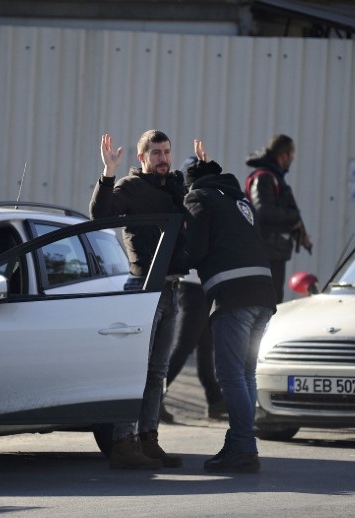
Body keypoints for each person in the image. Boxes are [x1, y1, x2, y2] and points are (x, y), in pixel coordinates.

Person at [89, 130, 189, 470]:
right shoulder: (130, 188)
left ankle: (149, 439)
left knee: (158, 372)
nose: (163, 158)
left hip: (174, 289)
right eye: (156, 153)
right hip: (143, 288)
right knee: (136, 366)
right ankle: (123, 441)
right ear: (142, 157)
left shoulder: (176, 187)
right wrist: (108, 173)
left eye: (166, 151)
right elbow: (100, 216)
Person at [183, 140, 277, 473]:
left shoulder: (198, 197)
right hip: (264, 295)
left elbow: (194, 249)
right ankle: (240, 441)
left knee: (231, 376)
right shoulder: (238, 199)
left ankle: (243, 448)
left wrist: (171, 261)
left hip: (233, 296)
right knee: (245, 374)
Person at [161, 156, 227, 424]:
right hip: (192, 286)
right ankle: (155, 397)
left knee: (205, 344)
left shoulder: (197, 202)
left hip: (202, 285)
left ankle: (214, 400)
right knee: (185, 345)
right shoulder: (192, 204)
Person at [245, 134, 312, 303]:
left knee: (273, 300)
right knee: (266, 302)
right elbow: (263, 211)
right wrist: (292, 217)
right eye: (291, 154)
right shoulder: (264, 178)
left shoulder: (275, 178)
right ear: (283, 156)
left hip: (274, 252)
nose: (292, 159)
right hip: (265, 252)